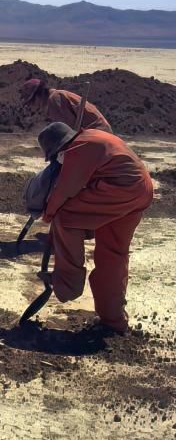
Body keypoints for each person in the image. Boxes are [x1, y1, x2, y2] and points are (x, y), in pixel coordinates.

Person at [37, 122, 154, 332]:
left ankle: (67, 284)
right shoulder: (90, 137)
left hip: (120, 189)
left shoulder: (77, 150)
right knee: (112, 254)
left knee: (65, 217)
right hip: (140, 190)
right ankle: (113, 320)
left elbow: (65, 190)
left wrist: (48, 215)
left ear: (60, 149)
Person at [20, 79, 112, 132]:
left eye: (32, 102)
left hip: (97, 134)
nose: (34, 106)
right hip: (100, 132)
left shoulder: (54, 100)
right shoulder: (58, 96)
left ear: (39, 95)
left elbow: (68, 132)